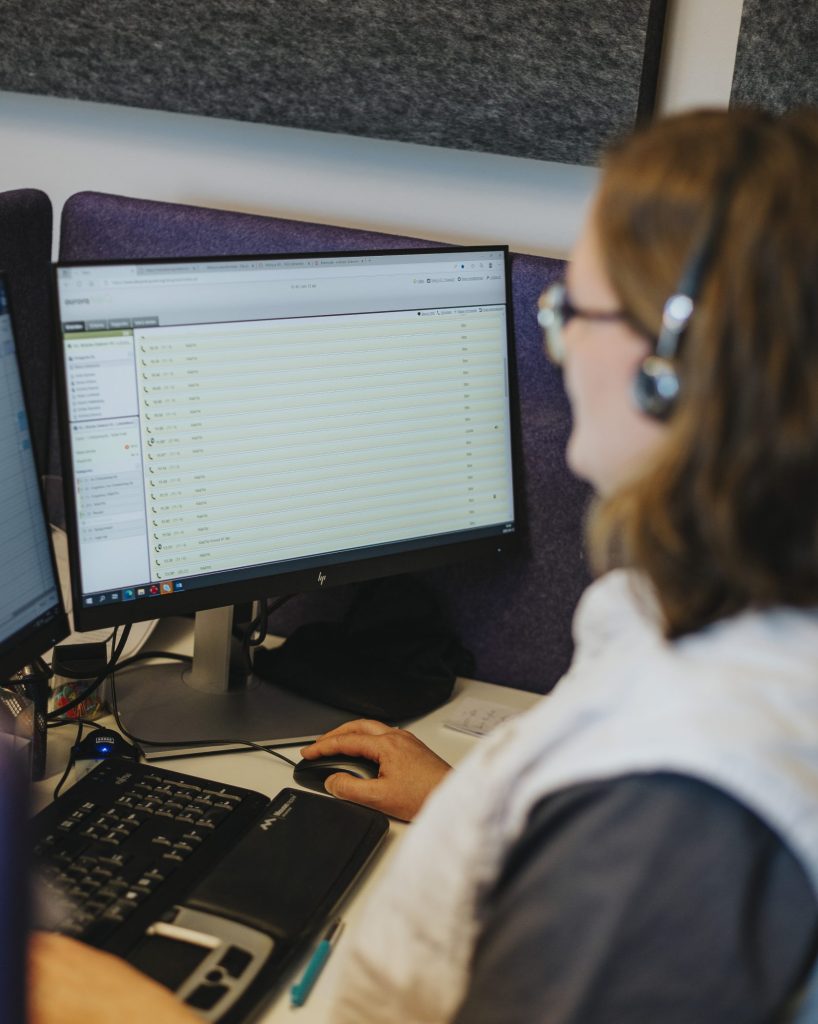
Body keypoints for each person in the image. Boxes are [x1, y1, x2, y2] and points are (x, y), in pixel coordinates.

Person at [29, 106, 818, 1023]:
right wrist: (481, 811)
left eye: (574, 312)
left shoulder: (675, 817)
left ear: (665, 372)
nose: (556, 349)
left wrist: (113, 1006)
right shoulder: (717, 613)